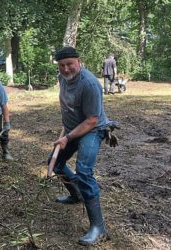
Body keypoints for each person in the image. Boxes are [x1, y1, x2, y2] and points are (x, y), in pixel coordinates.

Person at [50, 46, 109, 245]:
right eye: (61, 65)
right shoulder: (62, 78)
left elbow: (92, 119)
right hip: (73, 128)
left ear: (79, 62)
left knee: (84, 172)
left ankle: (98, 228)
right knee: (55, 163)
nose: (66, 69)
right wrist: (67, 126)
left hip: (92, 129)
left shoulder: (90, 84)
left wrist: (68, 137)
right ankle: (76, 195)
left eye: (69, 64)